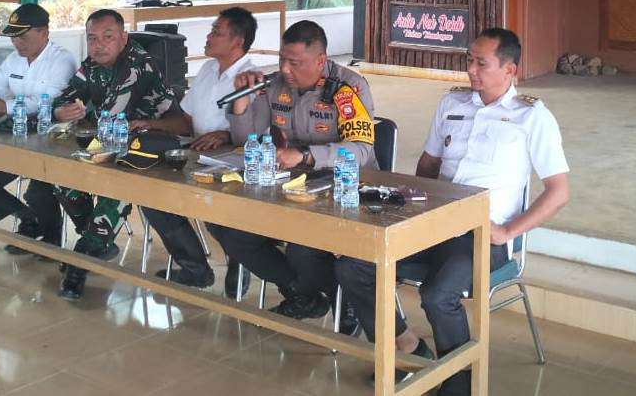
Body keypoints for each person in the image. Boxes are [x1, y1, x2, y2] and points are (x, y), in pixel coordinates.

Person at [334, 28, 570, 396]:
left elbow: (559, 191)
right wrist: (413, 211)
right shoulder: (452, 103)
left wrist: (508, 232)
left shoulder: (531, 117)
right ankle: (408, 346)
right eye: (469, 60)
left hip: (482, 236)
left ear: (510, 70)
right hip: (433, 225)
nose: (470, 70)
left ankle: (459, 384)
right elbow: (428, 165)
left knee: (437, 295)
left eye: (481, 63)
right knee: (353, 266)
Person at [209, 20, 374, 336]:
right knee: (228, 226)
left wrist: (307, 155)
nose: (285, 69)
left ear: (321, 60)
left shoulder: (348, 88)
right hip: (288, 186)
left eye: (295, 63)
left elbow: (362, 150)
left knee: (302, 247)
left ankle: (344, 299)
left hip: (340, 187)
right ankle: (303, 293)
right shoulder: (275, 84)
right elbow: (247, 141)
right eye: (282, 59)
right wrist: (242, 103)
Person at [132, 7, 260, 296]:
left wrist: (226, 135)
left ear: (237, 41)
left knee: (216, 211)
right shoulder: (207, 70)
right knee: (151, 194)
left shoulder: (251, 78)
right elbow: (187, 121)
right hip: (194, 153)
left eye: (216, 32)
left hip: (232, 163)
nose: (208, 36)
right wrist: (151, 123)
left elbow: (259, 133)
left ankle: (240, 258)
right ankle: (195, 269)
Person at [51, 9, 178, 301]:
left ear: (123, 38)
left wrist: (81, 114)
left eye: (108, 37)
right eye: (92, 38)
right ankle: (96, 241)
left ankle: (79, 264)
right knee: (63, 179)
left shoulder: (137, 65)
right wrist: (60, 111)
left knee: (114, 188)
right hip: (111, 142)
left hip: (150, 146)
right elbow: (65, 97)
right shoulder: (92, 64)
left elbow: (111, 114)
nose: (99, 45)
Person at [0, 3, 77, 254]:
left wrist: (5, 106)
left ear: (44, 33)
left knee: (39, 190)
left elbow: (48, 102)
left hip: (53, 140)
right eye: (13, 37)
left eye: (23, 37)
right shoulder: (14, 59)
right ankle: (29, 219)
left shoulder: (62, 60)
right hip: (18, 138)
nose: (17, 43)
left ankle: (51, 240)